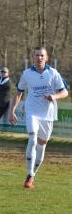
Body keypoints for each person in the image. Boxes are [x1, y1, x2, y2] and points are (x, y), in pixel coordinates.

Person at [9, 47, 68, 189]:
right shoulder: (27, 73)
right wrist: (12, 111)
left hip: (47, 115)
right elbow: (19, 92)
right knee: (32, 139)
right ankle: (29, 174)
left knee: (41, 147)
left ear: (46, 58)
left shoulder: (53, 73)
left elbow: (64, 92)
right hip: (32, 112)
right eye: (37, 55)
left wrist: (54, 96)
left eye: (42, 55)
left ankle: (32, 175)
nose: (39, 58)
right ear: (33, 57)